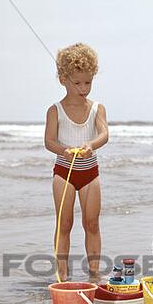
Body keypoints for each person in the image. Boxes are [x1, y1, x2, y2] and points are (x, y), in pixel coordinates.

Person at [44, 42, 109, 281]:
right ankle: (62, 276)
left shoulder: (96, 108)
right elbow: (49, 141)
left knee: (91, 223)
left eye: (88, 82)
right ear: (63, 80)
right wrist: (64, 150)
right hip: (64, 173)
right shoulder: (55, 110)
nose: (84, 88)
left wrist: (91, 145)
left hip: (90, 174)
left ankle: (94, 275)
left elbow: (104, 133)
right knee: (65, 223)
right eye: (78, 83)